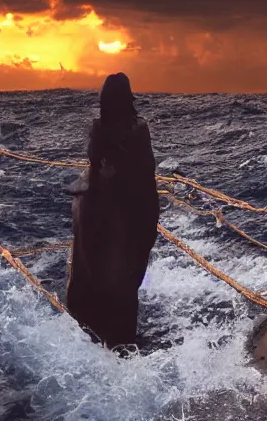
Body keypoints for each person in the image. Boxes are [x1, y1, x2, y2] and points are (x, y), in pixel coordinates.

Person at [67, 72, 160, 349]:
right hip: (139, 211)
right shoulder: (141, 128)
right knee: (127, 277)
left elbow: (95, 162)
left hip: (108, 214)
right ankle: (124, 341)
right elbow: (144, 170)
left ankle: (95, 332)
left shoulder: (100, 129)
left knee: (98, 272)